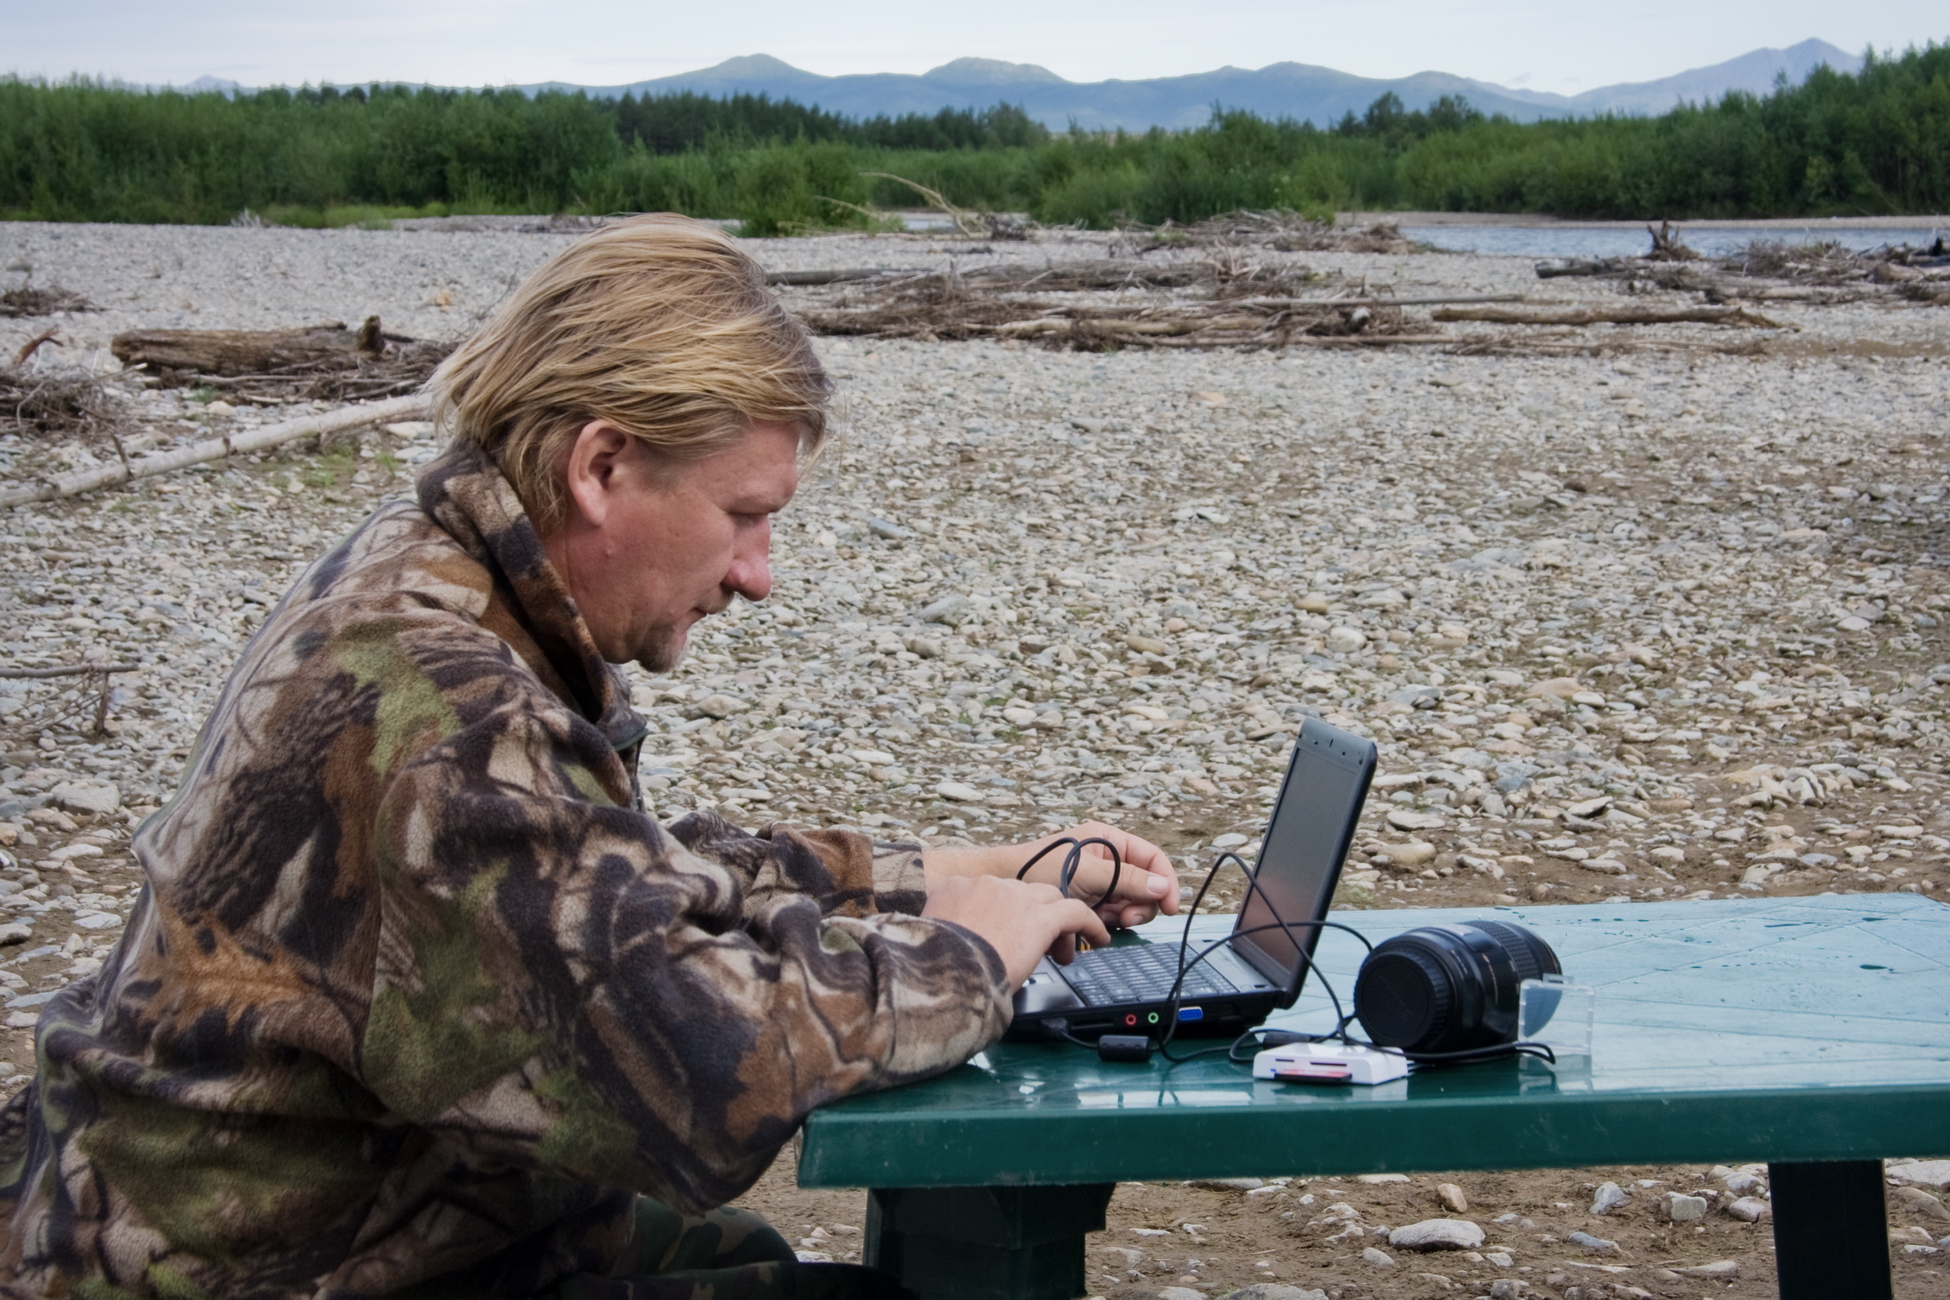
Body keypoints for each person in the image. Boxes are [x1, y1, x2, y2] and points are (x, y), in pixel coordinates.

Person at [0, 215, 1179, 1300]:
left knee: (741, 1257)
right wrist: (970, 950)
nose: (759, 574)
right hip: (254, 1269)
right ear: (603, 465)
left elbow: (620, 881)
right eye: (743, 514)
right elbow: (703, 1081)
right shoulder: (446, 709)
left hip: (308, 1220)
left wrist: (963, 871)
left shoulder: (449, 576)